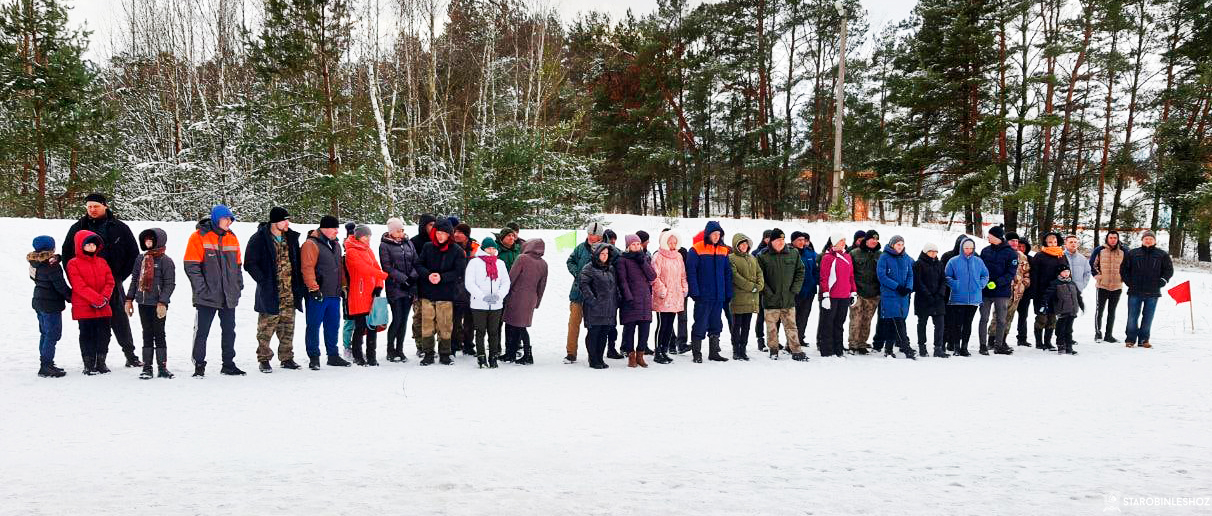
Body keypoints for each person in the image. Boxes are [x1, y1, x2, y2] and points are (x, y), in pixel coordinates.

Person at [62, 193, 142, 367]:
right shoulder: (78, 227)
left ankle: (130, 354)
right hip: (85, 287)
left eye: (96, 206)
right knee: (88, 325)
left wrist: (119, 277)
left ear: (105, 206)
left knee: (120, 320)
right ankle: (92, 361)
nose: (92, 210)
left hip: (111, 282)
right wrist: (75, 281)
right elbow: (67, 254)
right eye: (89, 206)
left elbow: (133, 254)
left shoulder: (119, 227)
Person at [183, 205, 245, 377]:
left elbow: (238, 266)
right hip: (207, 295)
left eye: (231, 219)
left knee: (229, 330)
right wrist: (201, 289)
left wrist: (238, 285)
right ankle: (199, 365)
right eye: (226, 218)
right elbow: (191, 266)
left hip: (228, 295)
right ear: (217, 218)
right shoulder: (198, 237)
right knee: (202, 331)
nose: (229, 222)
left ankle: (228, 363)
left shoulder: (232, 238)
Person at [244, 207, 306, 374]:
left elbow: (297, 262)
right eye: (284, 220)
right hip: (270, 292)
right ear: (274, 222)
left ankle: (286, 358)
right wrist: (263, 280)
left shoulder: (291, 238)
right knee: (266, 328)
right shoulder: (259, 238)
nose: (287, 223)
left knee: (288, 327)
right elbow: (249, 263)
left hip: (289, 291)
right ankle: (264, 359)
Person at [301, 216, 352, 369]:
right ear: (324, 228)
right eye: (334, 228)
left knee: (332, 325)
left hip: (334, 293)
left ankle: (333, 355)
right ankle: (314, 356)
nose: (337, 231)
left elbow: (340, 267)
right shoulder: (311, 244)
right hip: (318, 293)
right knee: (314, 325)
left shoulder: (336, 245)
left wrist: (343, 285)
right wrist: (313, 288)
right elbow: (307, 268)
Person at [125, 228, 176, 379]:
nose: (148, 243)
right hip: (143, 302)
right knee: (146, 333)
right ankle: (147, 367)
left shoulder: (166, 261)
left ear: (158, 241)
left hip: (158, 304)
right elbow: (135, 280)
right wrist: (129, 299)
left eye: (151, 240)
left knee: (159, 334)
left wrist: (163, 301)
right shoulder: (141, 259)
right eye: (146, 240)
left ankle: (162, 367)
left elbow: (170, 283)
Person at [416, 219, 468, 365]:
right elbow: (419, 264)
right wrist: (428, 275)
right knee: (427, 325)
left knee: (445, 325)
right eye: (438, 233)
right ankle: (428, 353)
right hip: (427, 293)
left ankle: (445, 353)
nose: (440, 236)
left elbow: (459, 271)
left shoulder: (456, 250)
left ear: (449, 235)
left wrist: (442, 277)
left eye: (443, 233)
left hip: (446, 294)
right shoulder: (427, 247)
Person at [67, 230, 115, 375]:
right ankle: (89, 364)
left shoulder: (102, 261)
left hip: (103, 306)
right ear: (81, 246)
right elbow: (78, 285)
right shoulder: (73, 263)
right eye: (88, 244)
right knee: (87, 335)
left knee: (104, 334)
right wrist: (96, 299)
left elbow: (110, 281)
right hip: (85, 306)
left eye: (94, 244)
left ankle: (101, 361)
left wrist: (104, 298)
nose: (91, 247)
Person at [686, 221, 734, 363]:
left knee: (716, 323)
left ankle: (714, 352)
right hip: (703, 295)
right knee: (700, 323)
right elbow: (691, 272)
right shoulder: (696, 249)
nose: (717, 237)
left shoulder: (723, 250)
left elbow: (727, 273)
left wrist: (728, 292)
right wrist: (694, 291)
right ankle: (697, 353)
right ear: (708, 234)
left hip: (719, 295)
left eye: (719, 234)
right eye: (714, 234)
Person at [757, 229, 807, 361]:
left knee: (791, 326)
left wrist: (794, 290)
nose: (781, 243)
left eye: (782, 240)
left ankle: (796, 350)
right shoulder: (763, 256)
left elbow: (800, 272)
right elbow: (759, 277)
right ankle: (773, 349)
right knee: (771, 328)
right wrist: (767, 293)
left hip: (788, 299)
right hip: (770, 299)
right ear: (772, 242)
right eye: (778, 240)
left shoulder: (793, 253)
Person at [344, 225, 389, 366]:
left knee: (372, 325)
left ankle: (372, 356)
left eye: (369, 236)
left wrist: (379, 285)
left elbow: (376, 267)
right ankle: (357, 355)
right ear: (358, 237)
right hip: (358, 293)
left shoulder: (368, 250)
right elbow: (363, 268)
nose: (368, 239)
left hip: (371, 293)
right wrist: (384, 275)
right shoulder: (351, 251)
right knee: (360, 326)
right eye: (365, 236)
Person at [1120, 230, 1173, 349]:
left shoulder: (1162, 254)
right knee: (1132, 316)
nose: (1148, 240)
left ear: (1155, 241)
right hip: (1135, 291)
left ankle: (1144, 340)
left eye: (1151, 239)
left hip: (1153, 292)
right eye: (1146, 238)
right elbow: (1124, 269)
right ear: (1142, 240)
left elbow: (1168, 270)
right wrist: (1129, 282)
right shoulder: (1132, 253)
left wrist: (1163, 281)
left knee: (1148, 317)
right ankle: (1130, 339)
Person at [29, 235, 71, 378]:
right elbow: (60, 286)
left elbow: (34, 278)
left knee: (45, 333)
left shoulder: (34, 262)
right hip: (50, 304)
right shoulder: (52, 266)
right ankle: (46, 365)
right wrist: (72, 297)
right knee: (52, 334)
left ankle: (45, 362)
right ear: (51, 247)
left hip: (38, 301)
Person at [466, 237, 511, 368]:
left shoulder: (500, 263)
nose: (491, 250)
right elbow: (470, 283)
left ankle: (493, 357)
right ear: (483, 248)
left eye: (493, 248)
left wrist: (499, 296)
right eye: (488, 248)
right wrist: (482, 296)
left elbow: (506, 282)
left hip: (496, 304)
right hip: (479, 304)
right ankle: (481, 357)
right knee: (480, 331)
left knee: (494, 331)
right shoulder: (474, 263)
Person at [564, 221, 606, 364]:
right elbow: (570, 261)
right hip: (578, 293)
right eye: (588, 234)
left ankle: (593, 354)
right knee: (573, 324)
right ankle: (571, 353)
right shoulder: (580, 248)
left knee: (593, 327)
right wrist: (577, 273)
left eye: (593, 235)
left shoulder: (606, 250)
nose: (590, 237)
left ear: (599, 237)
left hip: (596, 296)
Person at [502, 238, 547, 365]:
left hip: (517, 297)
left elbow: (511, 277)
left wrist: (504, 293)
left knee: (517, 326)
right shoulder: (544, 264)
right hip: (531, 298)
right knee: (519, 326)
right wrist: (537, 301)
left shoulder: (522, 258)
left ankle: (527, 354)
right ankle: (512, 354)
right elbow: (542, 285)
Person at [380, 217, 419, 363]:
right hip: (395, 286)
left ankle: (400, 349)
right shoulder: (384, 245)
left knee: (404, 320)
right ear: (391, 232)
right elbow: (387, 267)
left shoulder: (409, 243)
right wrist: (403, 279)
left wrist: (412, 277)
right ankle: (391, 349)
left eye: (402, 230)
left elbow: (416, 261)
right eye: (398, 230)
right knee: (397, 318)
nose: (401, 232)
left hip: (409, 287)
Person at [578, 243, 620, 369]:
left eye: (606, 254)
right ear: (596, 254)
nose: (604, 256)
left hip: (609, 307)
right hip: (594, 308)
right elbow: (583, 285)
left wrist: (617, 299)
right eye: (602, 253)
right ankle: (593, 359)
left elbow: (615, 287)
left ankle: (600, 358)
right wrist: (593, 300)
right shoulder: (588, 268)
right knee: (594, 333)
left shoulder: (610, 268)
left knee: (604, 333)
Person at [944, 237, 988, 357]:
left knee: (968, 323)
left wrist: (981, 284)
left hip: (974, 298)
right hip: (958, 298)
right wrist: (956, 284)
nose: (968, 250)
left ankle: (965, 347)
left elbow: (985, 275)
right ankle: (956, 347)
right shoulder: (953, 261)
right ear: (961, 248)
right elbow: (947, 277)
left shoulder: (978, 261)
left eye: (971, 248)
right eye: (966, 248)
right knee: (957, 324)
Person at [617, 234, 657, 367]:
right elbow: (622, 280)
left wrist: (643, 262)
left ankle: (640, 354)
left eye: (638, 244)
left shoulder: (644, 258)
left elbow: (652, 275)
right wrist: (628, 297)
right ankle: (631, 355)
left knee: (645, 328)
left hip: (645, 299)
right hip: (631, 300)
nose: (636, 246)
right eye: (633, 244)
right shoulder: (623, 260)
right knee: (630, 329)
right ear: (628, 246)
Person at [978, 225, 1017, 355]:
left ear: (997, 237)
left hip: (1002, 291)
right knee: (984, 317)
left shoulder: (1011, 253)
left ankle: (999, 345)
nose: (988, 237)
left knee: (1001, 319)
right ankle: (983, 345)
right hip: (986, 291)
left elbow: (1011, 273)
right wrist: (985, 282)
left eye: (990, 235)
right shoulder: (985, 251)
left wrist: (997, 283)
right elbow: (980, 270)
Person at [876, 235, 916, 359]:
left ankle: (888, 348)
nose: (900, 247)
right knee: (895, 320)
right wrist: (897, 287)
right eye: (898, 244)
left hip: (903, 295)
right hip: (890, 294)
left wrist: (908, 288)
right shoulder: (884, 257)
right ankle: (905, 347)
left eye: (902, 244)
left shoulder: (906, 257)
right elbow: (882, 276)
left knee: (897, 321)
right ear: (892, 244)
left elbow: (910, 274)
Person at [651, 230, 688, 365]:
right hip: (663, 297)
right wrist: (662, 290)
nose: (672, 245)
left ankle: (665, 350)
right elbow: (654, 276)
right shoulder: (658, 256)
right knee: (662, 324)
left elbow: (683, 275)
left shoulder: (678, 256)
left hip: (675, 296)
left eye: (674, 242)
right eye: (670, 242)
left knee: (670, 324)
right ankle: (658, 351)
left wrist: (684, 288)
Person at [817, 233, 855, 357]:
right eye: (840, 241)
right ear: (834, 243)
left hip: (844, 296)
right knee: (827, 323)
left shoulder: (847, 257)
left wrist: (853, 292)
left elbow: (851, 276)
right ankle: (827, 350)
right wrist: (826, 295)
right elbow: (824, 277)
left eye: (844, 241)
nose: (843, 243)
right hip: (832, 296)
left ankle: (838, 348)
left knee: (839, 323)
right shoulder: (828, 258)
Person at [727, 233, 763, 360]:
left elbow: (759, 272)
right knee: (737, 325)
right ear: (736, 245)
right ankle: (736, 349)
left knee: (747, 325)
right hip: (738, 297)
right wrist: (751, 286)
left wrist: (759, 285)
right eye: (741, 244)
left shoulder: (752, 258)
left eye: (745, 244)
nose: (744, 246)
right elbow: (735, 276)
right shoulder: (731, 258)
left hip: (751, 298)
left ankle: (743, 348)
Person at [1030, 232, 1067, 350]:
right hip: (1042, 292)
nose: (1053, 244)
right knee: (1042, 317)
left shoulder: (1061, 255)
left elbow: (1066, 272)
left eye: (1055, 242)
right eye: (1050, 242)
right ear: (1046, 242)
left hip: (1056, 292)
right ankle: (1039, 342)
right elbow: (1034, 275)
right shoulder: (1039, 256)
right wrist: (1035, 293)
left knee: (1052, 318)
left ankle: (1048, 342)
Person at [409, 214, 437, 357]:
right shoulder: (414, 242)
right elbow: (412, 265)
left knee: (434, 318)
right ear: (424, 226)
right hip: (419, 286)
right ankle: (420, 345)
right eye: (430, 225)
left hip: (436, 286)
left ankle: (430, 344)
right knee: (419, 317)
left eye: (434, 224)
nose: (433, 227)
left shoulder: (438, 240)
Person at [849, 230, 882, 354]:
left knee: (867, 320)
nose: (874, 241)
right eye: (872, 239)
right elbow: (849, 273)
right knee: (855, 319)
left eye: (876, 239)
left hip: (873, 294)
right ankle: (853, 344)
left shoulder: (880, 255)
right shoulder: (854, 253)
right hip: (857, 293)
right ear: (866, 240)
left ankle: (862, 344)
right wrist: (851, 290)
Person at [997, 232, 1032, 348]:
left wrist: (1024, 284)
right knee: (999, 316)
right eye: (1012, 241)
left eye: (1016, 241)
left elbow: (1026, 272)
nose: (1015, 243)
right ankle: (993, 340)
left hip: (1017, 292)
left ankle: (1003, 339)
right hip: (1003, 291)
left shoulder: (1022, 256)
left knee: (1009, 317)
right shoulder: (1001, 253)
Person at [1089, 231, 1126, 342]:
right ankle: (1098, 333)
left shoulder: (1124, 251)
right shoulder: (1099, 250)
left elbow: (1127, 266)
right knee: (1099, 310)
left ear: (1118, 239)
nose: (1113, 240)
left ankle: (1108, 335)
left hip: (1117, 286)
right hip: (1102, 285)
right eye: (1111, 238)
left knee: (1112, 311)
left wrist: (1123, 278)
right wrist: (1097, 275)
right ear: (1107, 239)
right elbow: (1092, 264)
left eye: (1115, 238)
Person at [913, 242, 947, 358]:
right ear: (925, 252)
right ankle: (922, 347)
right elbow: (918, 282)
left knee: (940, 324)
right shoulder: (919, 264)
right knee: (922, 323)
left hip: (938, 300)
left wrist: (940, 294)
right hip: (923, 299)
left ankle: (938, 348)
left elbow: (943, 280)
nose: (933, 254)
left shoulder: (940, 264)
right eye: (931, 251)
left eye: (935, 252)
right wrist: (928, 295)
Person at [1041, 263, 1082, 355]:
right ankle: (1061, 346)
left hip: (1072, 310)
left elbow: (1078, 295)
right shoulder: (1055, 283)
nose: (1066, 273)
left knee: (1069, 330)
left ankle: (1069, 347)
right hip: (1062, 310)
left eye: (1068, 271)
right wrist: (1044, 303)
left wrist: (1081, 305)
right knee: (1060, 329)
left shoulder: (1072, 283)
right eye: (1064, 272)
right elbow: (1048, 295)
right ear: (1059, 273)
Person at [451, 223, 478, 356]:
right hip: (454, 288)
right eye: (455, 232)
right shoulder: (450, 246)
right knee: (454, 320)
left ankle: (468, 344)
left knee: (470, 320)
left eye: (460, 232)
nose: (456, 235)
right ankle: (454, 344)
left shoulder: (475, 247)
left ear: (466, 235)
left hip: (471, 289)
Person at [790, 231, 818, 351]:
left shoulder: (810, 253)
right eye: (799, 240)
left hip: (809, 291)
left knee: (804, 316)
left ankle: (800, 338)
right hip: (795, 292)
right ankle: (791, 342)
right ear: (793, 241)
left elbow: (816, 270)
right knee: (793, 319)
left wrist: (814, 281)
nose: (802, 242)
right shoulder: (789, 253)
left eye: (803, 240)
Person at [752, 229, 773, 352]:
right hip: (761, 289)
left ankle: (774, 339)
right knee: (761, 316)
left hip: (773, 287)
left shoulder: (776, 251)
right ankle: (760, 340)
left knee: (774, 317)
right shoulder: (756, 252)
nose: (769, 240)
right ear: (764, 238)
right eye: (768, 238)